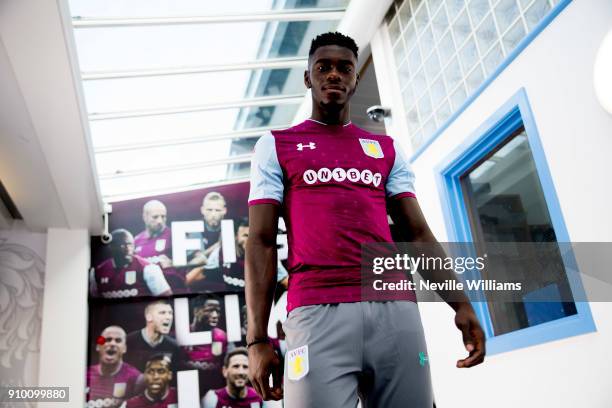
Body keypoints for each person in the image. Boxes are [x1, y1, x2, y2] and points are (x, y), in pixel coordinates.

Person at [245, 32, 486, 407]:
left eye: (345, 68)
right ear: (308, 78)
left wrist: (461, 303)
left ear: (356, 78)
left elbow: (417, 233)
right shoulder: (276, 145)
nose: (334, 75)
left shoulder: (386, 149)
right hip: (315, 312)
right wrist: (257, 340)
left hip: (396, 311)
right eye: (323, 67)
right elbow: (260, 241)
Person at [188, 217, 288, 291]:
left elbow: (286, 282)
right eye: (245, 235)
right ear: (236, 237)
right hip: (233, 303)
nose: (249, 240)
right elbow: (197, 274)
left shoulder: (266, 256)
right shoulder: (222, 252)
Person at [93, 229, 172, 299]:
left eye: (130, 245)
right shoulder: (98, 271)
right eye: (123, 245)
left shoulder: (149, 268)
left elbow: (166, 300)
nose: (128, 249)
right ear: (112, 247)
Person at [86, 326, 142, 408]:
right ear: (98, 346)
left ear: (124, 348)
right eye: (107, 340)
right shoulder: (84, 374)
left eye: (118, 340)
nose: (112, 344)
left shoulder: (136, 378)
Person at [134, 200, 185, 290]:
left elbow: (200, 259)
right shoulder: (136, 241)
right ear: (144, 217)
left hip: (176, 292)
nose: (160, 221)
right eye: (155, 217)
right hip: (149, 294)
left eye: (163, 217)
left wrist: (174, 263)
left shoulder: (174, 235)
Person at [125, 300, 184, 374]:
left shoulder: (174, 346)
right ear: (149, 317)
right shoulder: (128, 341)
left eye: (170, 313)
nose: (168, 317)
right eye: (162, 313)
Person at [184, 298, 228, 392]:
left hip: (213, 390)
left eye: (217, 311)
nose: (215, 315)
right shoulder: (182, 334)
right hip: (187, 388)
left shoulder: (221, 336)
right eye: (210, 310)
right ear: (196, 311)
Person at [188, 192, 228, 266]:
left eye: (217, 210)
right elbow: (199, 259)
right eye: (209, 210)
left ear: (224, 211)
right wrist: (219, 244)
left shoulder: (231, 227)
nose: (213, 214)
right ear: (202, 210)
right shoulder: (195, 228)